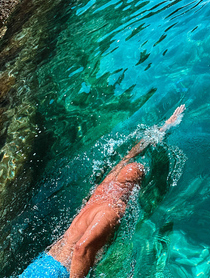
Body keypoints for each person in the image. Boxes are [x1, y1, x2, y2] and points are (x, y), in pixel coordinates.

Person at [20, 104, 186, 278]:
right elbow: (81, 249)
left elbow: (129, 156)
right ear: (135, 189)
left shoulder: (103, 189)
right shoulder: (114, 210)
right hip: (59, 272)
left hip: (41, 263)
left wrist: (165, 126)